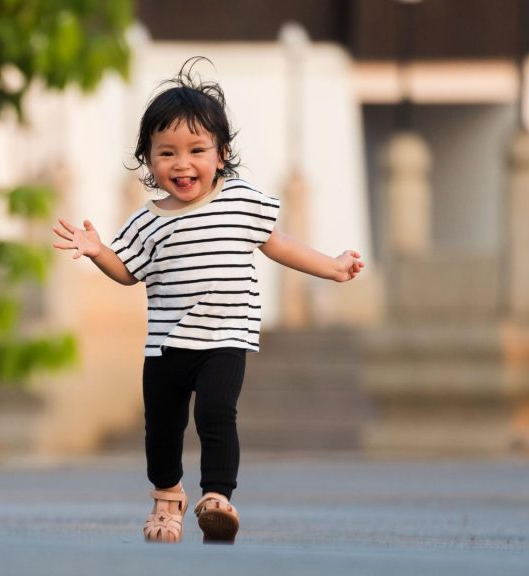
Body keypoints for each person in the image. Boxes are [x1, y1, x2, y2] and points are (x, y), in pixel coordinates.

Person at [52, 57, 364, 544]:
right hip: (165, 347)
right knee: (162, 429)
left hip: (225, 337)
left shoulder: (241, 200)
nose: (182, 164)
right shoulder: (147, 220)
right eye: (167, 152)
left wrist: (331, 265)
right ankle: (167, 499)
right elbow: (127, 273)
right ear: (149, 160)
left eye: (197, 150)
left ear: (221, 155)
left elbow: (278, 245)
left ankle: (217, 497)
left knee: (217, 413)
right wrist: (97, 252)